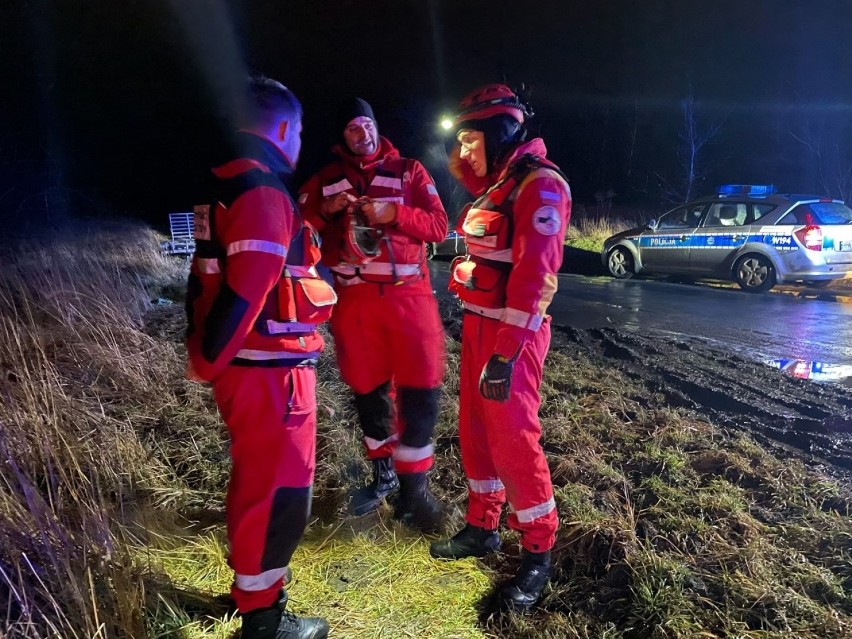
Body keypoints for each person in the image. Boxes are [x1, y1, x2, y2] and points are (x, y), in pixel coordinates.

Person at [185, 75, 332, 639]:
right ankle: (265, 620)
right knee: (281, 491)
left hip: (250, 372)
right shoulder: (265, 194)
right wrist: (207, 361)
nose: (300, 143)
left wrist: (204, 356)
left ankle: (249, 592)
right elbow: (247, 292)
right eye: (299, 131)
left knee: (255, 482)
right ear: (282, 128)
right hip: (271, 375)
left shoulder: (226, 185)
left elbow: (207, 282)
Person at [429, 84, 572, 613]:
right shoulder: (496, 188)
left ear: (498, 134)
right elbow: (470, 179)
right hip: (479, 328)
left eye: (471, 140)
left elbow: (535, 279)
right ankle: (482, 526)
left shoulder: (541, 188)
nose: (463, 152)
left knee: (514, 440)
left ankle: (538, 554)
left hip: (514, 336)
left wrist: (507, 353)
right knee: (475, 430)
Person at [298, 98, 447, 531]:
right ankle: (382, 475)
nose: (359, 133)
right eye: (350, 128)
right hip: (355, 302)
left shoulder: (409, 171)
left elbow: (439, 226)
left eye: (365, 124)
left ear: (376, 127)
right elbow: (295, 227)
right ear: (341, 137)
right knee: (369, 392)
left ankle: (413, 491)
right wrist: (321, 212)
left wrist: (395, 213)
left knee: (421, 393)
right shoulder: (324, 180)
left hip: (410, 298)